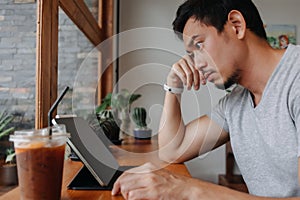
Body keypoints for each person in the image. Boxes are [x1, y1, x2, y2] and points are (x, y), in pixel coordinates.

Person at [112, 0, 300, 199]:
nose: (197, 64)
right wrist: (173, 87)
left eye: (199, 44)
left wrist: (190, 190)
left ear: (236, 25)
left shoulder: (295, 78)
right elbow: (171, 152)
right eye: (191, 55)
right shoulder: (235, 103)